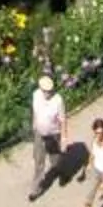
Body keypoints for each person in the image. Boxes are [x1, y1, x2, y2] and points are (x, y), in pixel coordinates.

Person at [27, 71, 66, 199]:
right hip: (39, 133)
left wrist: (64, 137)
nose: (46, 93)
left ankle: (60, 171)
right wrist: (34, 123)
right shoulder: (36, 95)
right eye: (44, 90)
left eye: (49, 90)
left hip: (53, 134)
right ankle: (35, 189)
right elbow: (34, 110)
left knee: (55, 160)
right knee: (38, 161)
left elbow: (62, 119)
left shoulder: (58, 100)